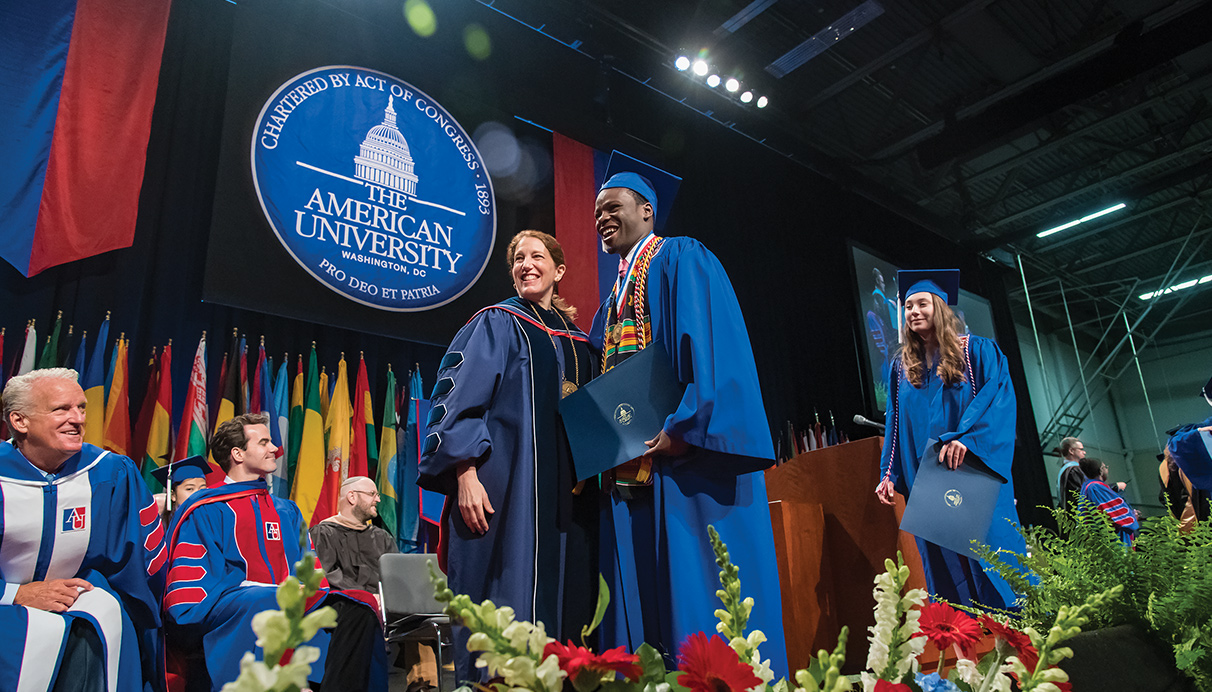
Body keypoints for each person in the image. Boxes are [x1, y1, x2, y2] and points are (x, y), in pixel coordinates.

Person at [589, 170, 786, 678]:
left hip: (688, 466)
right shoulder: (609, 301)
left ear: (647, 211)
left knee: (702, 606)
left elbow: (713, 350)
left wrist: (682, 429)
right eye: (596, 214)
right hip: (633, 472)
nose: (602, 219)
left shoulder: (680, 258)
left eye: (613, 207)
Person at [419, 230, 599, 680]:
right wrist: (464, 475)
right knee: (505, 600)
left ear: (559, 271)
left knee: (572, 613)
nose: (526, 264)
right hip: (506, 491)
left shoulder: (584, 344)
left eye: (537, 256)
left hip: (573, 501)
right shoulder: (497, 323)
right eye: (518, 258)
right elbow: (458, 402)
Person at [164, 414, 385, 691]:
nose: (274, 449)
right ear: (237, 454)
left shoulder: (286, 510)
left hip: (283, 600)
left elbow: (311, 571)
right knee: (267, 598)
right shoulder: (206, 508)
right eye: (264, 442)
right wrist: (250, 586)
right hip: (229, 605)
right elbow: (195, 584)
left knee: (359, 607)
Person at [0, 368, 166, 692]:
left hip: (78, 610)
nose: (77, 419)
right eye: (61, 409)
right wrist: (16, 594)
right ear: (20, 421)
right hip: (7, 611)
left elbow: (135, 570)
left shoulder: (110, 472)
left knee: (104, 618)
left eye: (81, 407)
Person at [875, 269, 1025, 610]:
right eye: (908, 306)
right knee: (946, 560)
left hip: (970, 466)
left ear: (940, 307)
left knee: (989, 548)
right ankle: (966, 638)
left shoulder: (976, 351)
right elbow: (895, 422)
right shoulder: (902, 368)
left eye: (922, 304)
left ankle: (1018, 631)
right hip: (927, 473)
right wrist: (888, 473)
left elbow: (998, 397)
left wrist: (967, 439)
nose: (913, 311)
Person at [310, 476, 399, 593]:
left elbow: (396, 577)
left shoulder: (382, 537)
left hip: (383, 607)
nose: (378, 500)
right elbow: (327, 576)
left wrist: (383, 599)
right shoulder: (324, 534)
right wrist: (367, 597)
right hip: (343, 605)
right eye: (372, 494)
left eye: (377, 495)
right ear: (352, 497)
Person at [1077, 457, 1139, 545]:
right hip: (1112, 541)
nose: (1107, 469)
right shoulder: (1096, 487)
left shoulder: (1087, 486)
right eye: (1105, 467)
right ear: (1101, 470)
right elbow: (1111, 515)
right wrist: (1132, 519)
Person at [150, 455, 213, 523]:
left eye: (202, 489)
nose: (198, 494)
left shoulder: (212, 521)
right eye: (189, 489)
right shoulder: (161, 527)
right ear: (173, 495)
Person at [1056, 436, 1086, 515]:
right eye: (1081, 449)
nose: (1084, 452)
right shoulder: (1073, 470)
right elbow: (1082, 495)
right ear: (1071, 451)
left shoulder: (1064, 471)